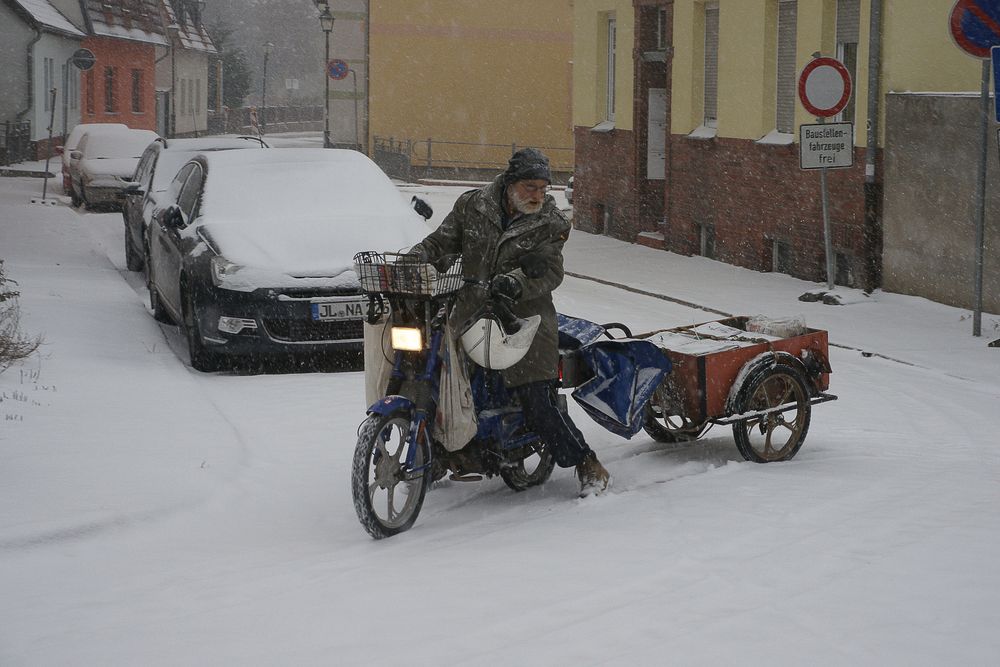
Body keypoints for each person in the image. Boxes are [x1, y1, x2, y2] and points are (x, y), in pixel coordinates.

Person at [408, 148, 611, 497]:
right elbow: (443, 242)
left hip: (523, 320)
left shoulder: (551, 222)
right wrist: (415, 259)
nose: (538, 195)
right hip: (470, 312)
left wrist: (516, 282)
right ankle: (441, 453)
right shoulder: (473, 206)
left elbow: (550, 271)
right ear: (510, 183)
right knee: (445, 383)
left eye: (543, 188)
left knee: (536, 403)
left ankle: (586, 462)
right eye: (530, 187)